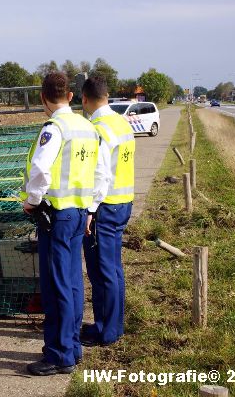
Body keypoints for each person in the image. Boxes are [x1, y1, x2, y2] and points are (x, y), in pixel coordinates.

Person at [21, 72, 101, 376]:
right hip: (79, 212)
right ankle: (73, 348)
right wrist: (91, 207)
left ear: (43, 98)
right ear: (70, 96)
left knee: (56, 288)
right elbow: (98, 172)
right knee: (72, 283)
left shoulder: (55, 128)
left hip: (56, 216)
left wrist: (33, 199)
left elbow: (41, 167)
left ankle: (58, 356)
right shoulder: (87, 128)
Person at [80, 76, 135, 347]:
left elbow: (100, 174)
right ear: (107, 95)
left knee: (102, 272)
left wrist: (90, 210)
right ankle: (113, 325)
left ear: (84, 99)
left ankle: (106, 331)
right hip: (123, 203)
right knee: (113, 270)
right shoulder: (121, 122)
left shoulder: (98, 128)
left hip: (105, 207)